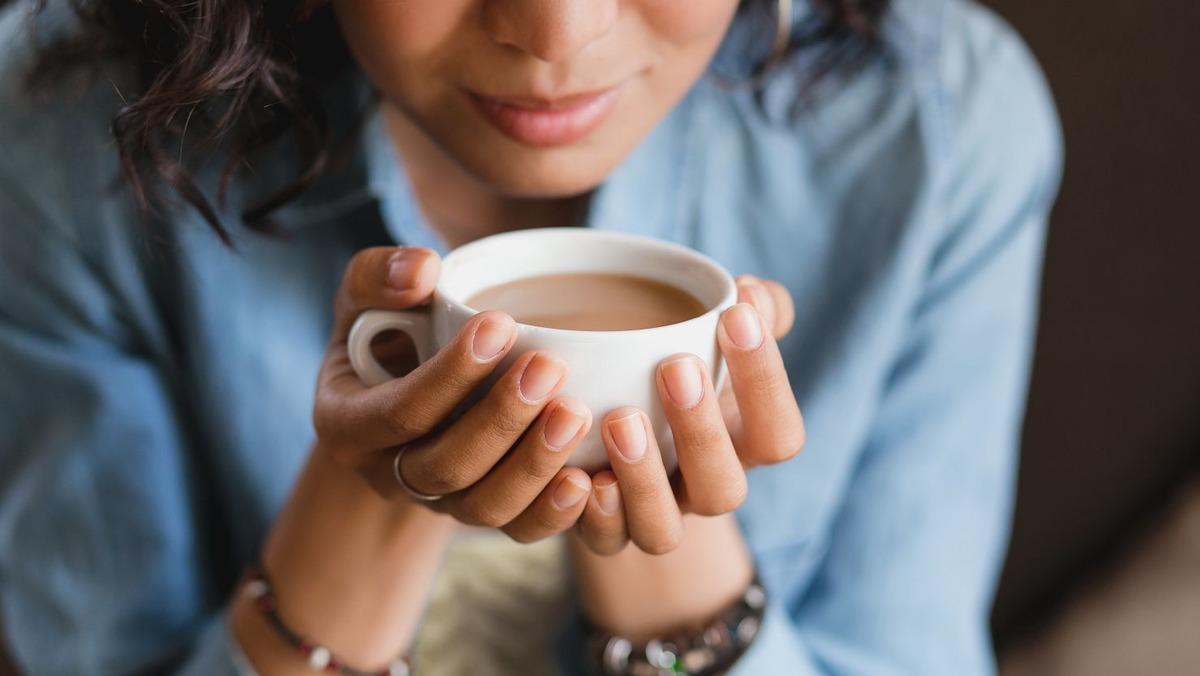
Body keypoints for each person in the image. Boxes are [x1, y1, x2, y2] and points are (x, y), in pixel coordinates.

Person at [0, 0, 1062, 674]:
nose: (559, 32)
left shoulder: (936, 133)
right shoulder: (64, 137)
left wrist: (674, 536)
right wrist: (364, 493)